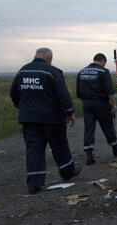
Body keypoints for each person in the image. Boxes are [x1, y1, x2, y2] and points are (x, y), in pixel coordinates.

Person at [10, 47, 81, 194]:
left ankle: (34, 183)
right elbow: (63, 94)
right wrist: (70, 112)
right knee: (59, 146)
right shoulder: (52, 72)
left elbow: (13, 93)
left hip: (29, 119)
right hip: (51, 118)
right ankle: (67, 172)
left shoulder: (22, 71)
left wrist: (22, 107)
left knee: (33, 150)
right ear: (49, 58)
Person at [76, 53, 117, 165]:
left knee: (89, 128)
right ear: (103, 61)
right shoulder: (103, 72)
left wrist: (86, 102)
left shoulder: (82, 72)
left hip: (86, 103)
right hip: (100, 103)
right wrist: (114, 104)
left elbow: (78, 92)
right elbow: (110, 91)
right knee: (107, 125)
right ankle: (115, 147)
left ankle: (89, 154)